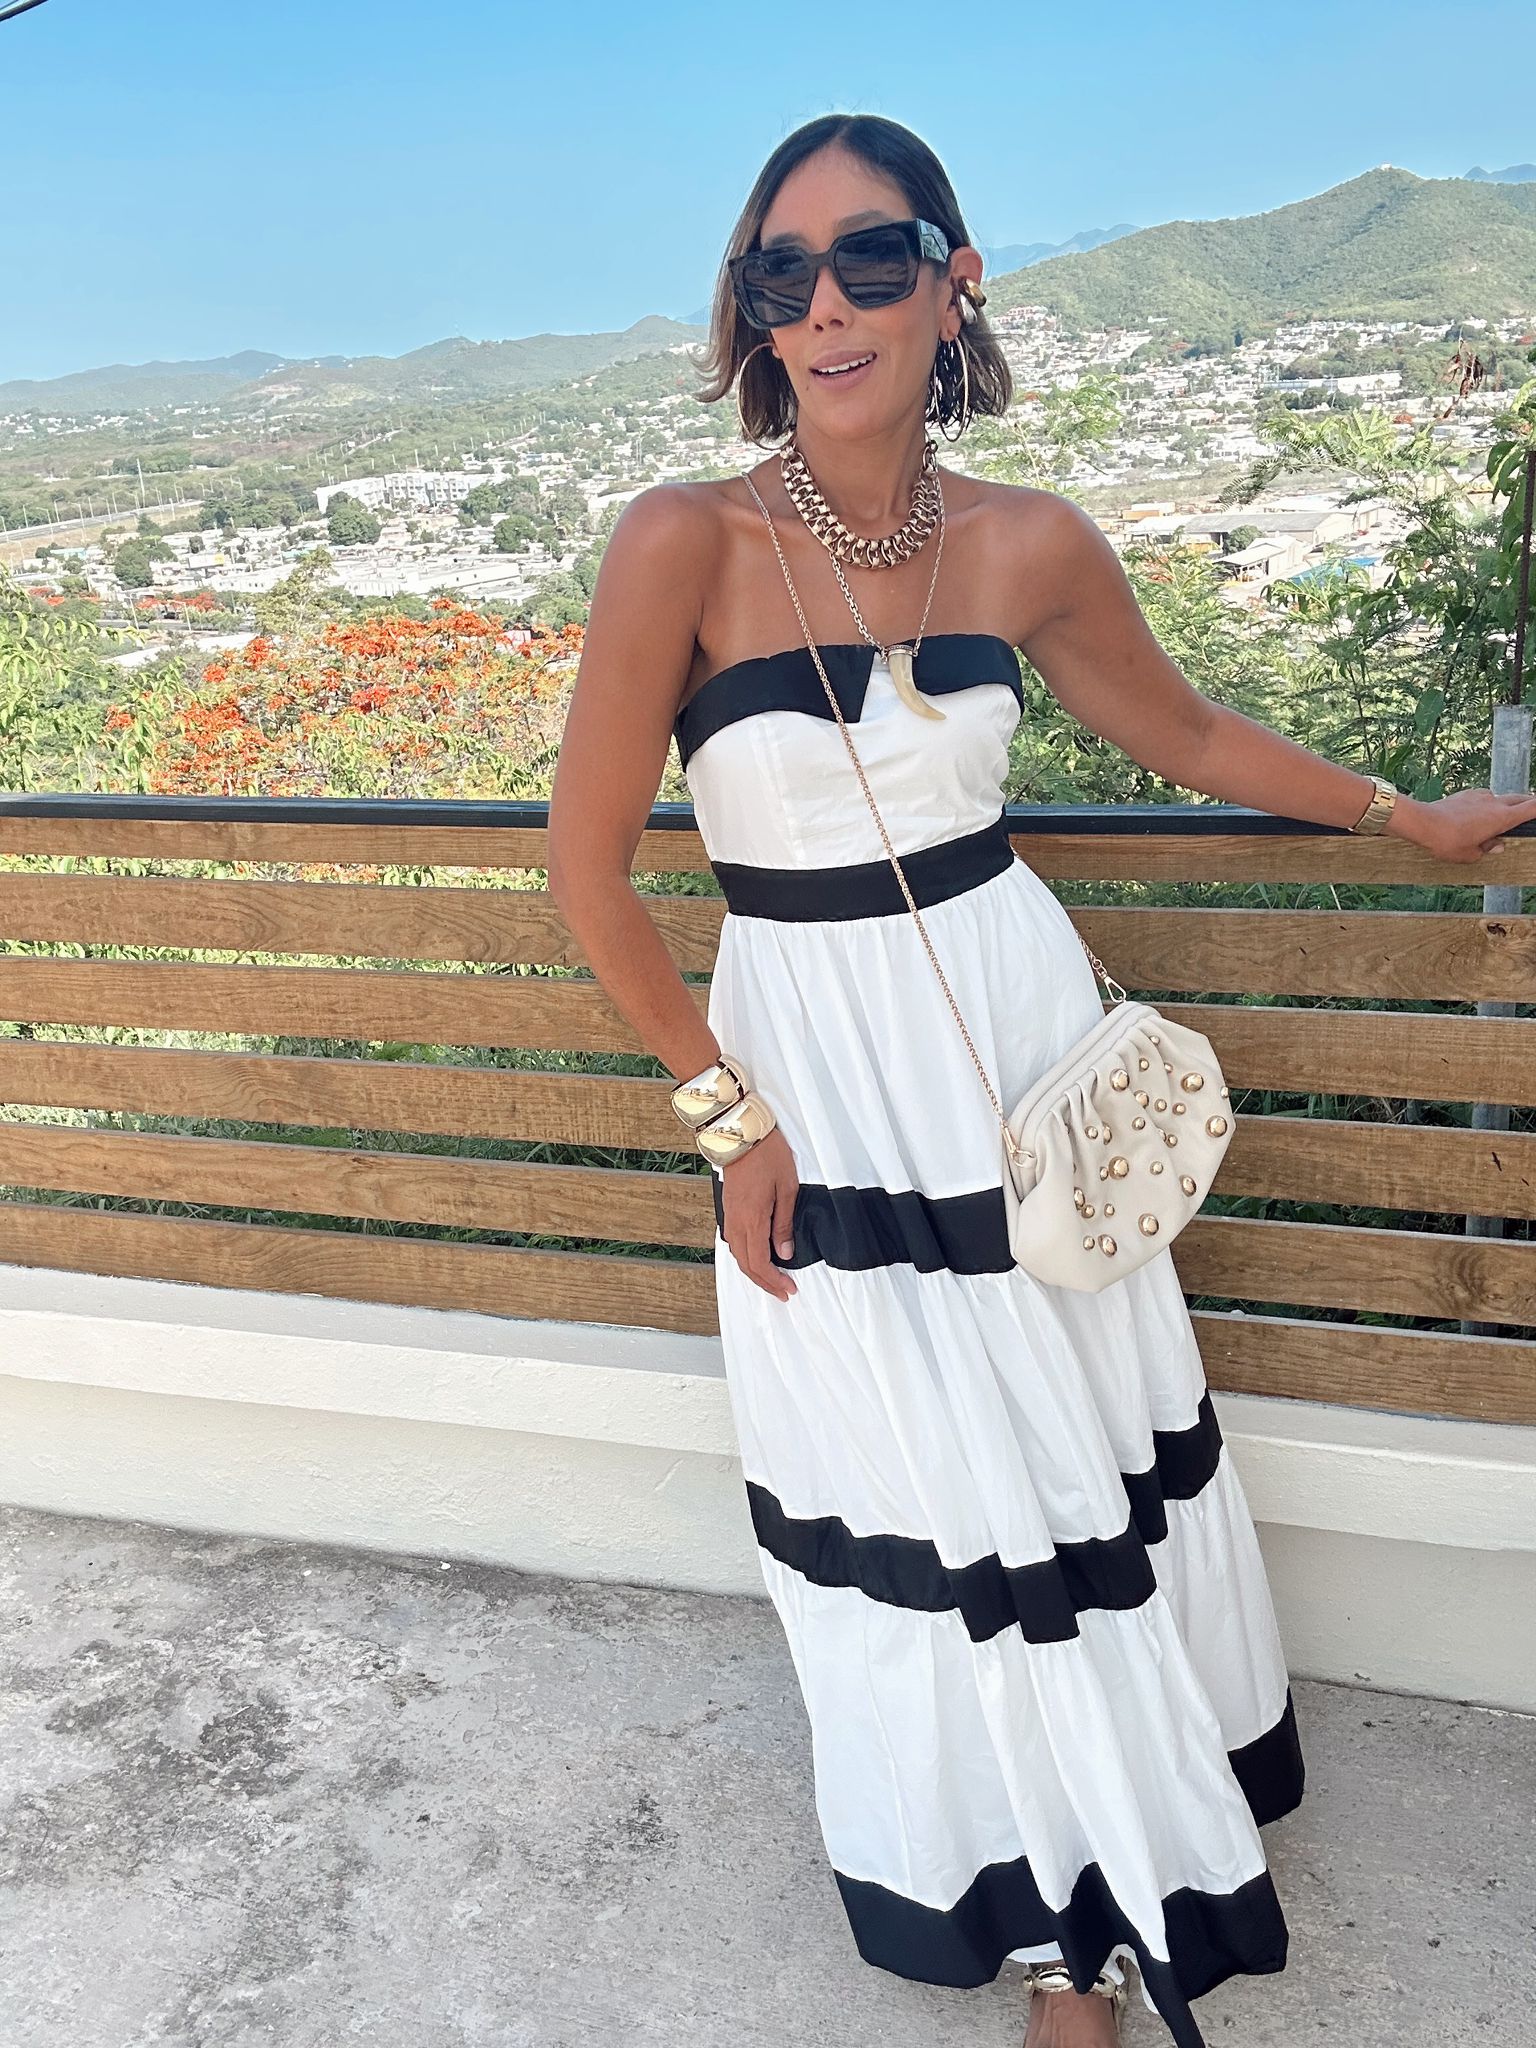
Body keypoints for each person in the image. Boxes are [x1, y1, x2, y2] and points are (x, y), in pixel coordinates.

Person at [547, 112, 1535, 2048]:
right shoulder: (686, 540)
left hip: (1016, 1043)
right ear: (753, 312)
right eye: (781, 274)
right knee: (927, 1489)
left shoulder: (1029, 540)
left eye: (871, 258)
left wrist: (1405, 815)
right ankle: (1040, 1923)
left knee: (1071, 1452)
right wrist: (725, 1115)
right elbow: (585, 870)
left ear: (956, 278)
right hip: (818, 1071)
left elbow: (1185, 728)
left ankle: (1108, 1920)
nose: (826, 307)